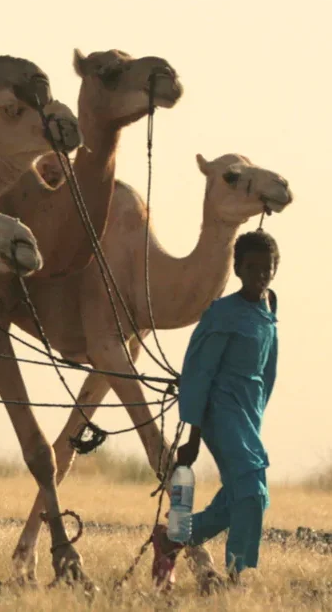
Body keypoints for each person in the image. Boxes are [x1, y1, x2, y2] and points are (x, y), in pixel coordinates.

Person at [153, 230, 279, 587]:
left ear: (274, 269)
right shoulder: (222, 314)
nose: (259, 275)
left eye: (265, 269)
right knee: (252, 492)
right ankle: (238, 576)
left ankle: (172, 539)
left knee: (243, 498)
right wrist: (193, 435)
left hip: (248, 416)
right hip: (220, 413)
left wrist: (255, 420)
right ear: (237, 268)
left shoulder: (268, 310)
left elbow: (265, 374)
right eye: (251, 267)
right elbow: (199, 372)